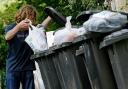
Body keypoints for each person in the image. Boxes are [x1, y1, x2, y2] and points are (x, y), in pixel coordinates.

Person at [4, 5, 52, 89]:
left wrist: (51, 16)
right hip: (13, 68)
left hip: (28, 68)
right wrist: (18, 27)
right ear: (23, 15)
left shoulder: (32, 29)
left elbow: (41, 27)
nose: (31, 19)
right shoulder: (11, 27)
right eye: (30, 16)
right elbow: (7, 37)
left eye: (33, 17)